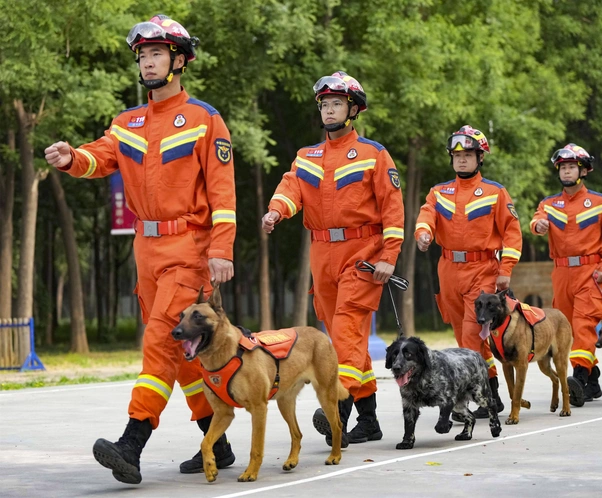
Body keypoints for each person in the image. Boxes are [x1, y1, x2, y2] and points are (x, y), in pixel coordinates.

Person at [44, 15, 237, 484]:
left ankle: (132, 442)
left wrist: (222, 249)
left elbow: (223, 192)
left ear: (179, 60)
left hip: (189, 248)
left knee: (158, 341)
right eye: (143, 55)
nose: (148, 62)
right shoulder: (127, 122)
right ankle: (218, 438)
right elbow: (101, 156)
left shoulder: (204, 119)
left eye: (157, 54)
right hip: (146, 250)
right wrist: (72, 159)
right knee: (181, 352)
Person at [261, 71, 405, 446]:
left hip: (363, 253)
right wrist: (277, 210)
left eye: (337, 104)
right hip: (321, 254)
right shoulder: (306, 156)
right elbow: (291, 187)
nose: (329, 110)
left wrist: (389, 255)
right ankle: (369, 421)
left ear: (353, 109)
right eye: (324, 104)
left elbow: (392, 208)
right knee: (345, 334)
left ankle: (336, 409)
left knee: (345, 331)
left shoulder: (374, 154)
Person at [414, 125, 522, 416]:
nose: (461, 160)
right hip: (448, 269)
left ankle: (485, 397)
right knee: (465, 339)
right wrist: (423, 233)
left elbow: (512, 233)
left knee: (472, 336)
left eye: (468, 155)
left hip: (482, 269)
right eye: (457, 155)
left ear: (480, 157)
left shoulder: (495, 192)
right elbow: (426, 215)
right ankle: (492, 396)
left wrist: (505, 268)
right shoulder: (439, 192)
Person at [529, 144, 602, 406]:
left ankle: (579, 380)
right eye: (563, 167)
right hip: (560, 273)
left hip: (590, 273)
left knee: (583, 325)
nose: (567, 171)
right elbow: (535, 221)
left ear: (583, 170)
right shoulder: (549, 203)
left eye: (571, 166)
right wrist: (538, 225)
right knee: (567, 328)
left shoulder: (600, 202)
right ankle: (592, 382)